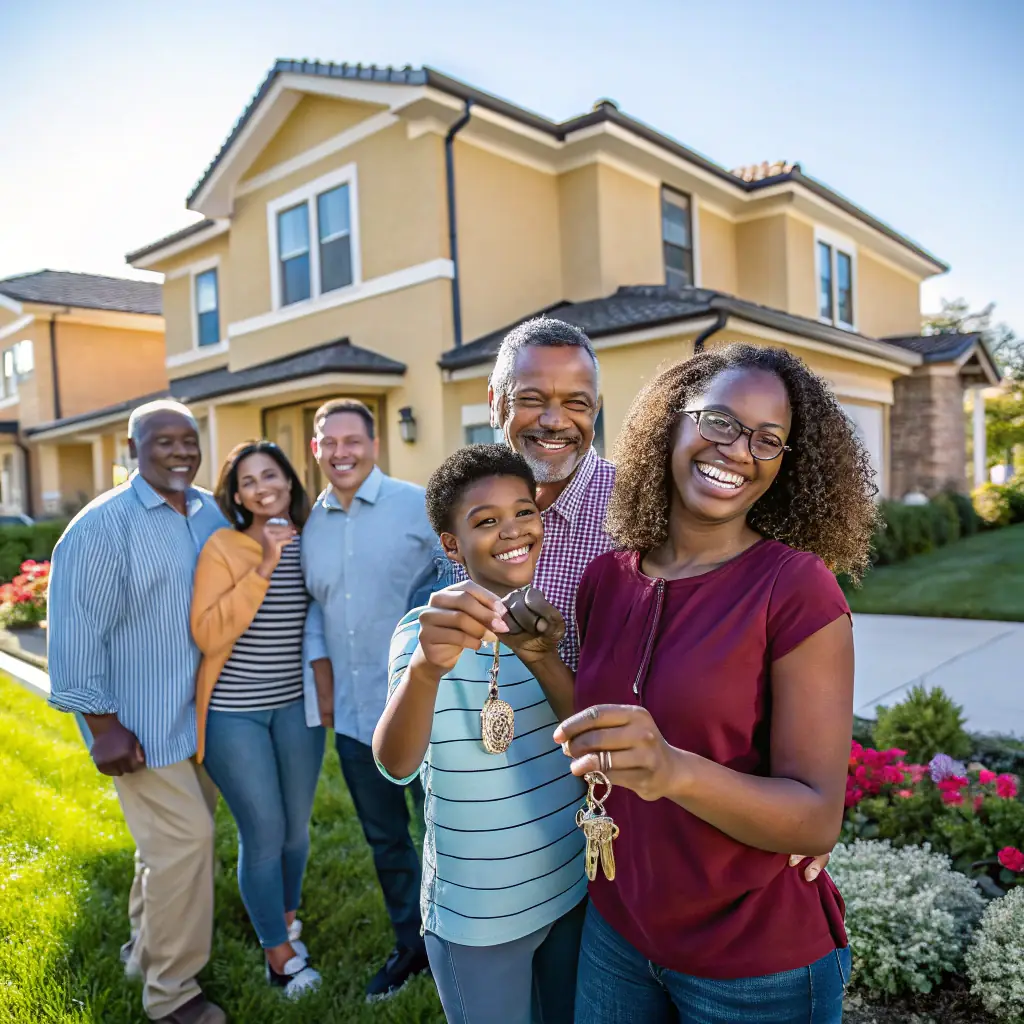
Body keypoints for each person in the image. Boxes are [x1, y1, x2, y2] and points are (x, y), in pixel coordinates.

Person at [508, 344, 877, 1022]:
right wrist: (540, 657)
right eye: (721, 422)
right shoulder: (607, 579)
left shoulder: (796, 590)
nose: (739, 450)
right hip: (620, 931)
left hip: (755, 962)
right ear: (671, 424)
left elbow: (816, 814)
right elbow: (603, 740)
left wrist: (674, 770)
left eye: (769, 439)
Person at [373, 445, 586, 1024]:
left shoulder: (548, 621)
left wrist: (544, 656)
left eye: (524, 512)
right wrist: (424, 668)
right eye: (486, 521)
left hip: (568, 884)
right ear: (451, 544)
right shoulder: (426, 630)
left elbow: (582, 736)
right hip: (479, 913)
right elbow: (395, 764)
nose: (513, 531)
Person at [47, 400, 229, 1024]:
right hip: (139, 725)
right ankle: (171, 995)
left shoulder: (208, 512)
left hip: (197, 717)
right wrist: (101, 726)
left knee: (167, 848)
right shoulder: (102, 527)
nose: (180, 451)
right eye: (162, 442)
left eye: (189, 439)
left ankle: (141, 951)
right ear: (132, 449)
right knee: (187, 844)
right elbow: (73, 636)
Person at [301, 398, 439, 1000]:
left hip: (432, 714)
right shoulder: (312, 524)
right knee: (387, 841)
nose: (341, 452)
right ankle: (412, 943)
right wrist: (324, 694)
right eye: (328, 442)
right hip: (358, 718)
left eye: (351, 440)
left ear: (374, 444)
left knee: (444, 830)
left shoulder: (419, 507)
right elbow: (317, 613)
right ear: (316, 450)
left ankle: (459, 942)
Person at [190, 441, 324, 998]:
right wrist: (264, 565)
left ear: (289, 481)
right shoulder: (224, 547)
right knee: (263, 832)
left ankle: (285, 916)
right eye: (248, 481)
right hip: (233, 712)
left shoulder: (314, 537)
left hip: (297, 706)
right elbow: (208, 631)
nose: (261, 486)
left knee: (296, 830)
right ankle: (276, 951)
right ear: (237, 495)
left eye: (270, 475)